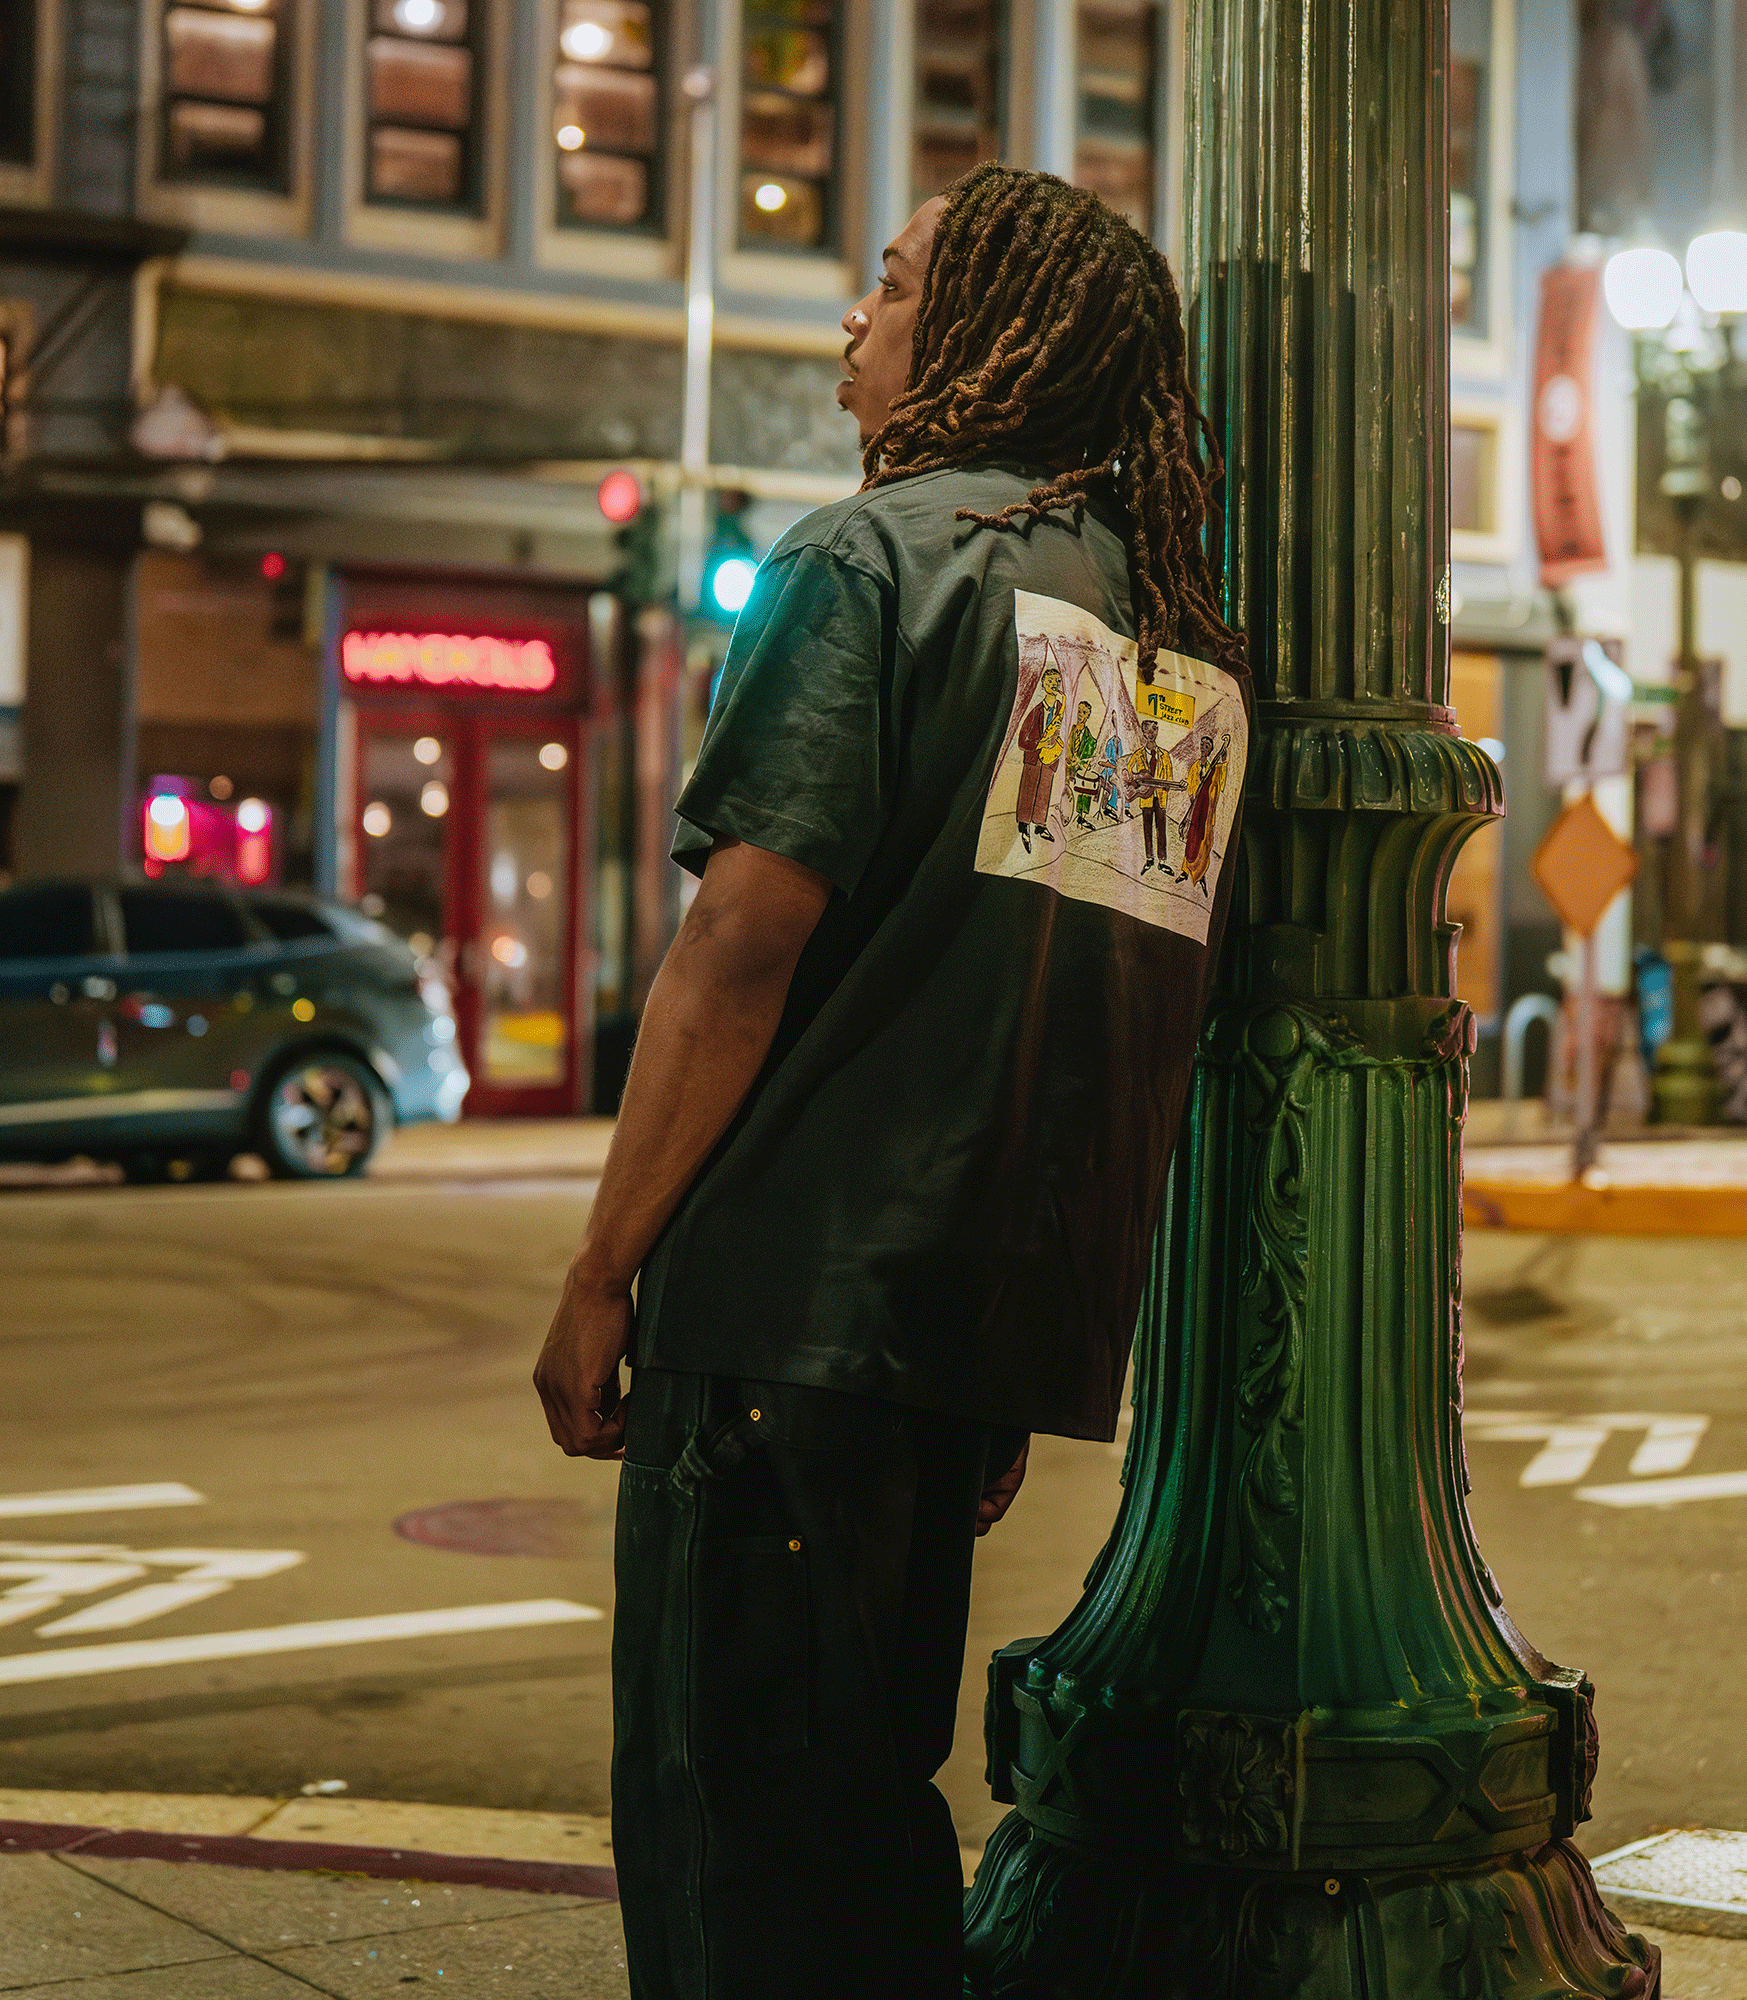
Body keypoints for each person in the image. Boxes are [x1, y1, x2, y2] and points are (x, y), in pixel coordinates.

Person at [532, 162, 1243, 2000]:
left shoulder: (866, 562)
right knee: (866, 1810)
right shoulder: (1164, 643)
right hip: (969, 1327)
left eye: (896, 284)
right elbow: (1081, 1015)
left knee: (737, 1838)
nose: (856, 321)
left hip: (782, 1308)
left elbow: (740, 945)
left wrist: (604, 1268)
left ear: (993, 334)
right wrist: (998, 1353)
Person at [1015, 663, 1064, 847]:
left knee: (1044, 791)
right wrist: (1039, 744)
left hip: (1050, 758)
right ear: (1043, 684)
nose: (1054, 684)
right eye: (1050, 681)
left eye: (1057, 681)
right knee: (1029, 790)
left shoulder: (1061, 707)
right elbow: (1022, 741)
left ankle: (1040, 825)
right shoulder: (1036, 711)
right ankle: (1024, 826)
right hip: (1035, 757)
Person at [1178, 729, 1231, 895]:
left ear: (1210, 750)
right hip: (1196, 809)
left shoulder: (1212, 768)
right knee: (1191, 839)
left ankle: (1200, 874)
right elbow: (1192, 781)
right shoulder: (1196, 766)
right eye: (1202, 745)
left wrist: (1222, 761)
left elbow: (1219, 782)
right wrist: (1193, 795)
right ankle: (1185, 870)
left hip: (1206, 810)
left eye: (1207, 746)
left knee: (1204, 842)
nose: (1203, 748)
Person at [1126, 717, 1175, 874]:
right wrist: (1135, 785)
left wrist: (1167, 785)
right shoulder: (1138, 754)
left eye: (1153, 730)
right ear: (1143, 733)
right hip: (1145, 797)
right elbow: (1126, 772)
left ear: (1157, 732)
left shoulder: (1164, 755)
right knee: (1147, 827)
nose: (1151, 734)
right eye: (1147, 731)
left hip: (1159, 797)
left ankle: (1162, 860)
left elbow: (1168, 776)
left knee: (1161, 827)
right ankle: (1149, 858)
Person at [1067, 697, 1099, 828]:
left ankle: (1081, 816)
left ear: (1088, 716)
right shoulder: (1069, 730)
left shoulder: (1091, 740)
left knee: (1086, 784)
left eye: (1084, 712)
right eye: (1079, 711)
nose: (1080, 715)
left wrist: (1081, 762)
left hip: (1079, 769)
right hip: (1067, 767)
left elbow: (1088, 758)